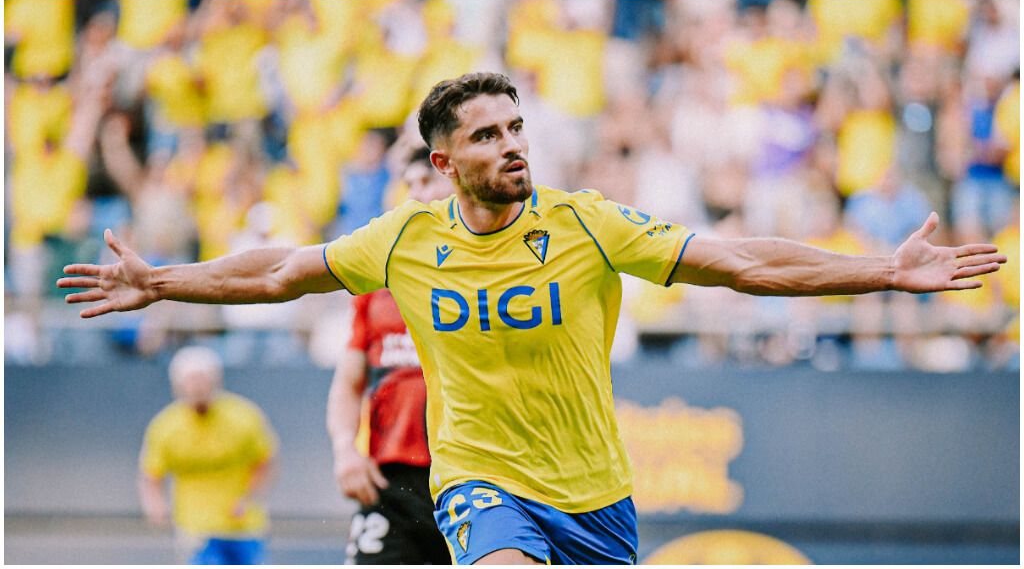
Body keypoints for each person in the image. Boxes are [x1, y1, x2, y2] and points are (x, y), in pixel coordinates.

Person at [62, 72, 1005, 565]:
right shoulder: (403, 240)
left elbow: (742, 261)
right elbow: (280, 274)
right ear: (444, 163)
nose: (513, 146)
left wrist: (884, 267)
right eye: (488, 135)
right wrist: (165, 283)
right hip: (477, 480)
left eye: (517, 128)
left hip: (594, 487)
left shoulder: (588, 223)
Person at [327, 147, 453, 564]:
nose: (417, 192)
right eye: (410, 184)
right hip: (392, 480)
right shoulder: (377, 286)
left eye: (427, 180)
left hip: (470, 474)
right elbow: (348, 383)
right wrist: (346, 449)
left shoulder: (492, 276)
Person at [138, 346, 278, 565]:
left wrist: (249, 496)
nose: (196, 387)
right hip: (196, 528)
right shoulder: (165, 427)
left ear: (215, 380)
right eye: (190, 380)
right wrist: (156, 505)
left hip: (244, 526)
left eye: (201, 379)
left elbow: (265, 461)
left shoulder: (243, 417)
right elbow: (151, 474)